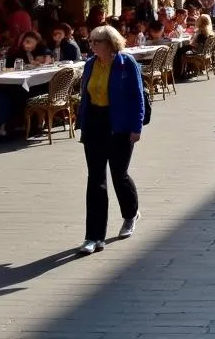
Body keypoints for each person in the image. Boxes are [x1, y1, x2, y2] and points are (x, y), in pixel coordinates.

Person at [76, 25, 144, 256]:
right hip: (95, 123)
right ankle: (93, 236)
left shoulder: (126, 63)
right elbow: (85, 94)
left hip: (119, 125)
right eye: (91, 42)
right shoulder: (90, 64)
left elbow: (137, 96)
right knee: (95, 179)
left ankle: (130, 213)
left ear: (110, 43)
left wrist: (136, 127)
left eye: (97, 42)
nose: (92, 45)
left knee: (119, 174)